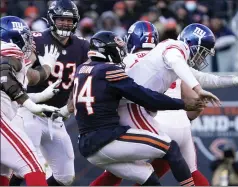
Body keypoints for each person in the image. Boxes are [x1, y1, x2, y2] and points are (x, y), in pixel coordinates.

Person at [90, 21, 238, 186]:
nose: (200, 57)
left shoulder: (133, 59)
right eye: (200, 52)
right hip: (179, 124)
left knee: (118, 172)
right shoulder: (170, 52)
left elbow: (110, 91)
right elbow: (196, 96)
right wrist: (231, 81)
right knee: (187, 169)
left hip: (143, 117)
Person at [75, 30, 218, 186]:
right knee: (170, 148)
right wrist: (182, 104)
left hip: (87, 142)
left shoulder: (81, 69)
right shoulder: (109, 71)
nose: (121, 54)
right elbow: (146, 97)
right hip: (107, 139)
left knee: (149, 178)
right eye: (118, 50)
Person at [9, 0, 90, 186]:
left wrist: (69, 107)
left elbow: (83, 81)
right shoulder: (36, 39)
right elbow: (21, 73)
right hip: (30, 111)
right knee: (25, 166)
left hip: (56, 117)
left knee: (66, 177)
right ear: (51, 19)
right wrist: (44, 68)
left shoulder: (83, 47)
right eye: (61, 19)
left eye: (69, 20)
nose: (66, 24)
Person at [0, 16, 59, 186]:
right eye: (27, 38)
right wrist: (30, 104)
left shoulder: (17, 61)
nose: (31, 43)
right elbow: (5, 76)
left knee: (3, 173)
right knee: (33, 166)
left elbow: (32, 77)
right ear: (15, 38)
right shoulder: (9, 51)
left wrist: (48, 66)